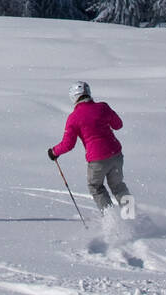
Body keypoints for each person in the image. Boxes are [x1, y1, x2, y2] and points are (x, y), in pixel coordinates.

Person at [48, 81, 131, 214]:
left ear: (74, 97)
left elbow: (68, 144)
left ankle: (112, 220)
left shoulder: (73, 118)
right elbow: (118, 125)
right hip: (116, 154)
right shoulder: (103, 107)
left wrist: (54, 152)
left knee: (96, 187)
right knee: (118, 186)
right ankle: (130, 216)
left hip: (97, 159)